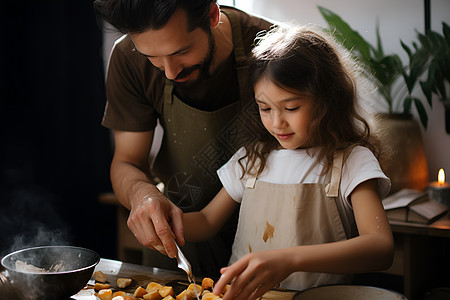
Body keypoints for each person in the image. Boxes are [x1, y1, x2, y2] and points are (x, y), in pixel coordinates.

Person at [180, 24, 394, 299]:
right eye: (264, 108)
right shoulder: (252, 159)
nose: (277, 122)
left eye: (291, 108)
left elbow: (380, 247)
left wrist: (289, 259)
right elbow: (207, 221)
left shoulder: (352, 161)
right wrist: (165, 223)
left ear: (327, 101)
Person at [92, 0, 272, 275]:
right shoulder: (128, 58)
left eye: (181, 52)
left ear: (213, 15)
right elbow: (127, 162)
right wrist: (142, 194)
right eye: (152, 57)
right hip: (182, 235)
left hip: (269, 236)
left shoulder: (274, 48)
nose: (170, 71)